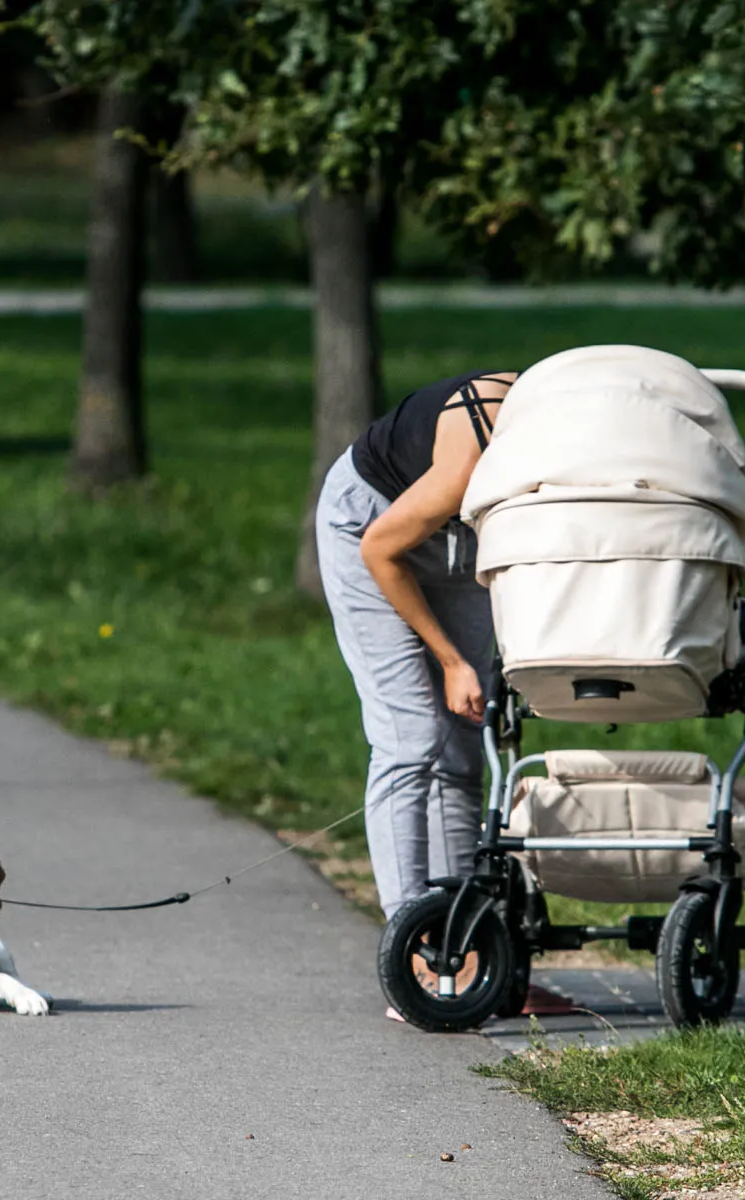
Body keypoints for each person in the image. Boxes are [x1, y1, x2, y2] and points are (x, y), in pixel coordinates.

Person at [315, 368, 575, 1020]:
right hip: (372, 530)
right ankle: (415, 961)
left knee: (464, 745)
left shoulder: (581, 456)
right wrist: (453, 660)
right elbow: (382, 550)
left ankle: (469, 958)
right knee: (411, 736)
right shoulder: (481, 440)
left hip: (464, 540)